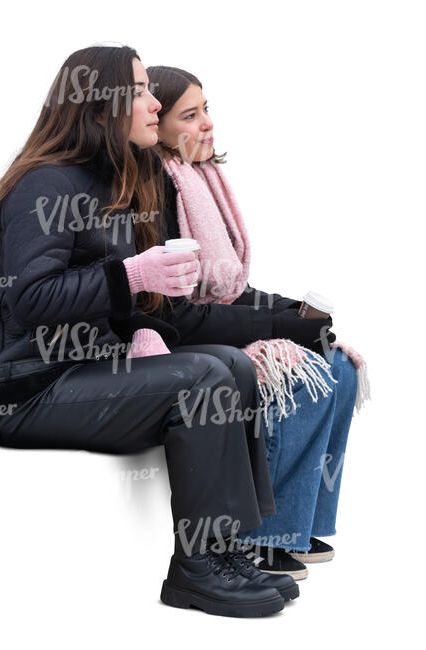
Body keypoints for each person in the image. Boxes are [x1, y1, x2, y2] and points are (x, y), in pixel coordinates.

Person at [0, 45, 300, 617]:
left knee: (233, 364)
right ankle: (196, 571)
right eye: (140, 91)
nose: (154, 102)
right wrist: (134, 273)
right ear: (97, 110)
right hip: (23, 389)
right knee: (200, 379)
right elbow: (31, 298)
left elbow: (107, 301)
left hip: (80, 369)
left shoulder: (110, 183)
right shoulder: (47, 185)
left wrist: (145, 305)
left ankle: (229, 548)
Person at [141, 64, 365, 579]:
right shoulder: (156, 190)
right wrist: (281, 329)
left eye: (206, 110)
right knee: (300, 374)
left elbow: (231, 290)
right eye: (190, 116)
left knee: (342, 369)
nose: (207, 125)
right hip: (167, 338)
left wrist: (290, 313)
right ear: (158, 128)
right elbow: (178, 312)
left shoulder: (203, 179)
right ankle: (259, 538)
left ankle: (294, 522)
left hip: (210, 324)